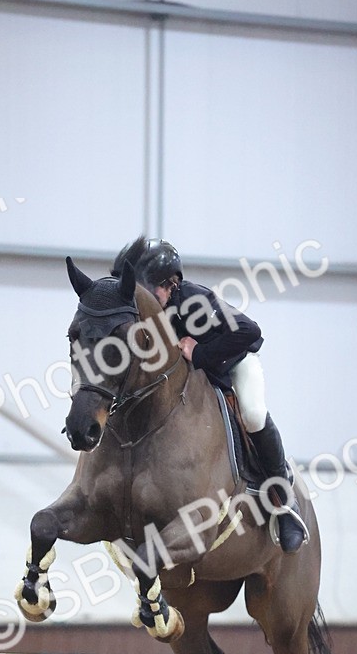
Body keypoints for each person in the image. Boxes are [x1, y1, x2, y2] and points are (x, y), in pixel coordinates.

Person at [112, 236, 309, 554]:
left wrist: (200, 352)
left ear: (172, 283)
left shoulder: (196, 302)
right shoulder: (144, 315)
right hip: (196, 378)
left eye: (151, 291)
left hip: (234, 365)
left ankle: (284, 501)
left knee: (254, 414)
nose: (143, 301)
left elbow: (249, 330)